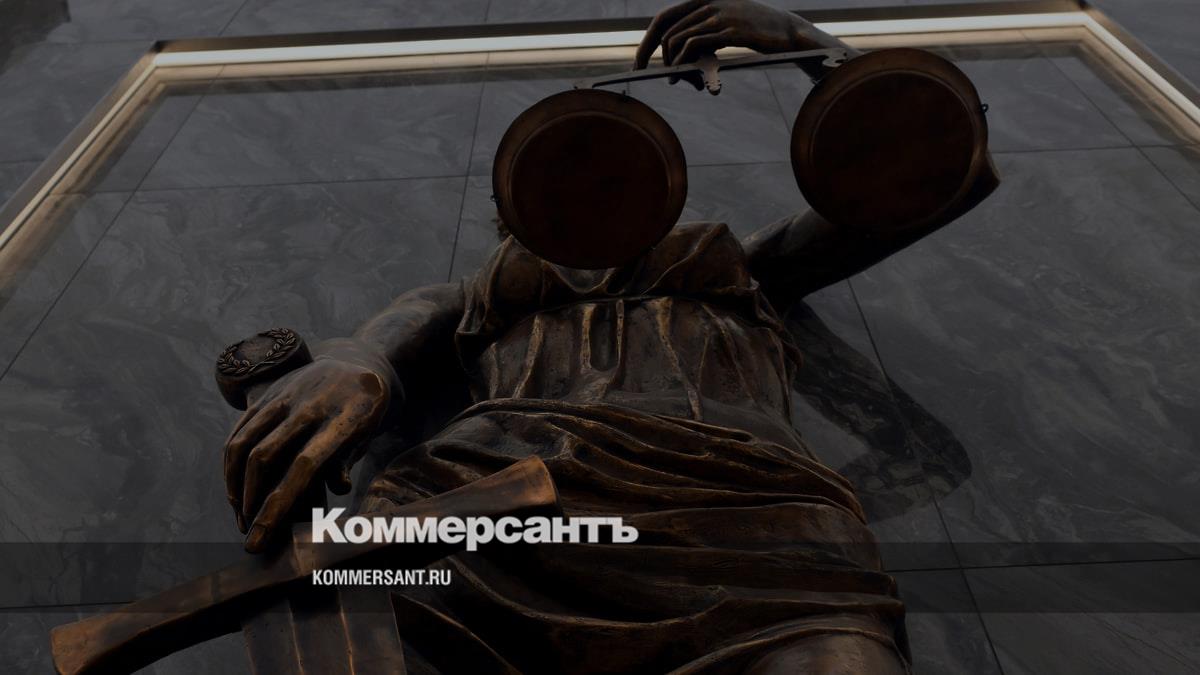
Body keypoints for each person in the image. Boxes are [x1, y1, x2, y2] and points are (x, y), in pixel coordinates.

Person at [221, 2, 996, 672]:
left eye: (604, 180)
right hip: (494, 513)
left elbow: (942, 172)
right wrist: (352, 364)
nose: (583, 201)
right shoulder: (481, 294)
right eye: (550, 188)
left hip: (752, 525)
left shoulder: (744, 268)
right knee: (353, 620)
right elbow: (383, 341)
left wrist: (807, 45)